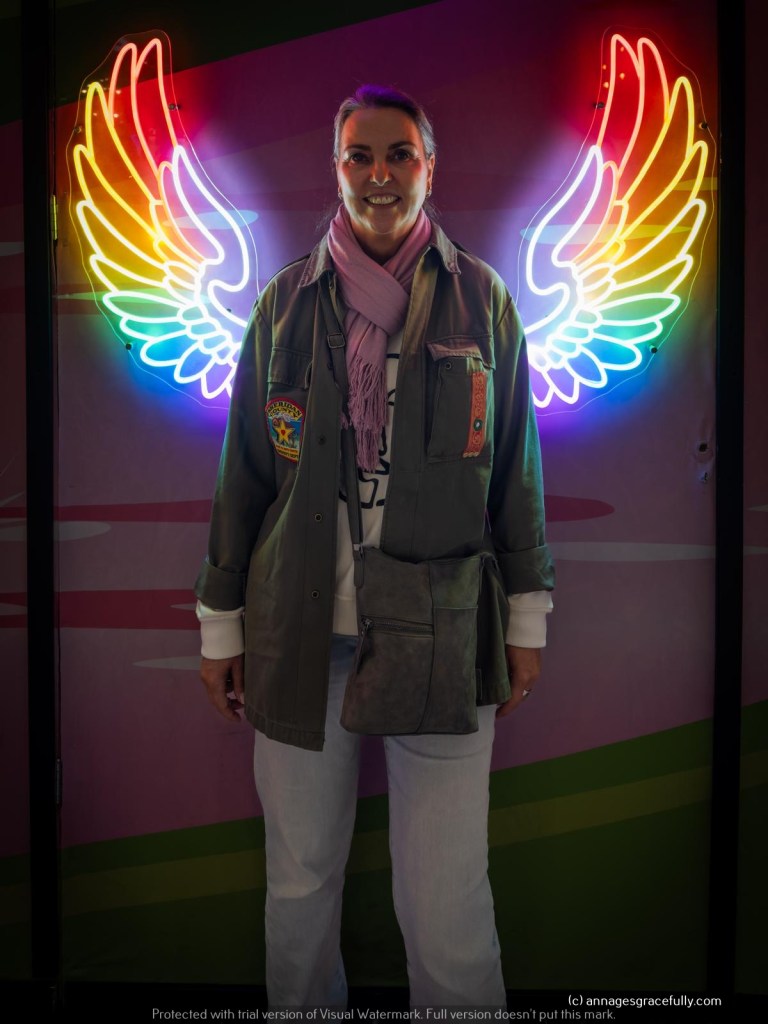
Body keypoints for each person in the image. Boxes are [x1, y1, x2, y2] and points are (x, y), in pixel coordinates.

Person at [194, 84, 555, 1009]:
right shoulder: (284, 305)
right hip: (299, 629)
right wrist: (220, 626)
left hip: (443, 628)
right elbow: (244, 476)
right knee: (299, 885)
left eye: (400, 154)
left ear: (430, 167)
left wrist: (526, 618)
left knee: (447, 904)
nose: (380, 173)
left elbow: (514, 469)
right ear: (337, 168)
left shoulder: (482, 301)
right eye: (360, 155)